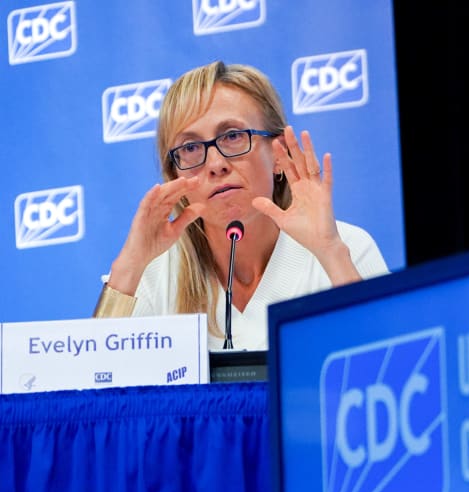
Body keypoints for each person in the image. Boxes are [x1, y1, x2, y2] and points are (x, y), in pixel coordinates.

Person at [93, 61, 389, 350]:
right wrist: (129, 266)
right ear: (174, 175)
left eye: (233, 136)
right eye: (191, 148)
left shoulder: (347, 247)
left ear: (278, 154)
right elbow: (94, 382)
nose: (216, 164)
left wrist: (330, 252)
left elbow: (387, 369)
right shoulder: (154, 274)